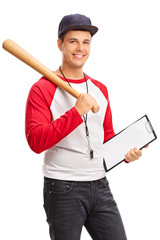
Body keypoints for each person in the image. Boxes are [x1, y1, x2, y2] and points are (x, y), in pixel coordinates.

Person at [25, 13, 145, 240]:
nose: (80, 48)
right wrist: (76, 112)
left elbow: (106, 139)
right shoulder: (42, 89)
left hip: (100, 185)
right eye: (73, 41)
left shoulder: (100, 89)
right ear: (60, 44)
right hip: (62, 188)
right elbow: (36, 142)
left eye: (86, 42)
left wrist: (126, 153)